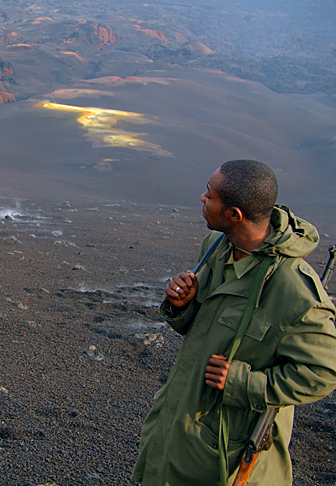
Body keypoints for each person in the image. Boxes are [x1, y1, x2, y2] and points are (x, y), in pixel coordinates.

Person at [132, 159, 336, 485]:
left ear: (234, 214)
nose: (201, 198)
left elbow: (325, 372)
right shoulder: (218, 248)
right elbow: (205, 330)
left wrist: (244, 383)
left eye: (210, 195)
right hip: (179, 430)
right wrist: (182, 306)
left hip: (226, 457)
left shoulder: (293, 289)